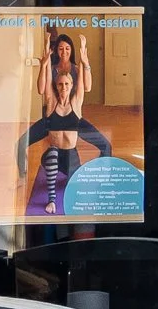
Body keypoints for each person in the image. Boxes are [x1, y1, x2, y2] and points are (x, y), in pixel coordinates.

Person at [17, 33, 111, 218]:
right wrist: (44, 62)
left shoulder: (76, 70)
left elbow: (86, 87)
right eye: (60, 48)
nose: (64, 52)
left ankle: (103, 180)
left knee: (103, 147)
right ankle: (23, 177)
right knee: (23, 145)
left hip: (74, 115)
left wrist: (85, 60)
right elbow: (42, 90)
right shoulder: (52, 71)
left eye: (67, 48)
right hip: (53, 118)